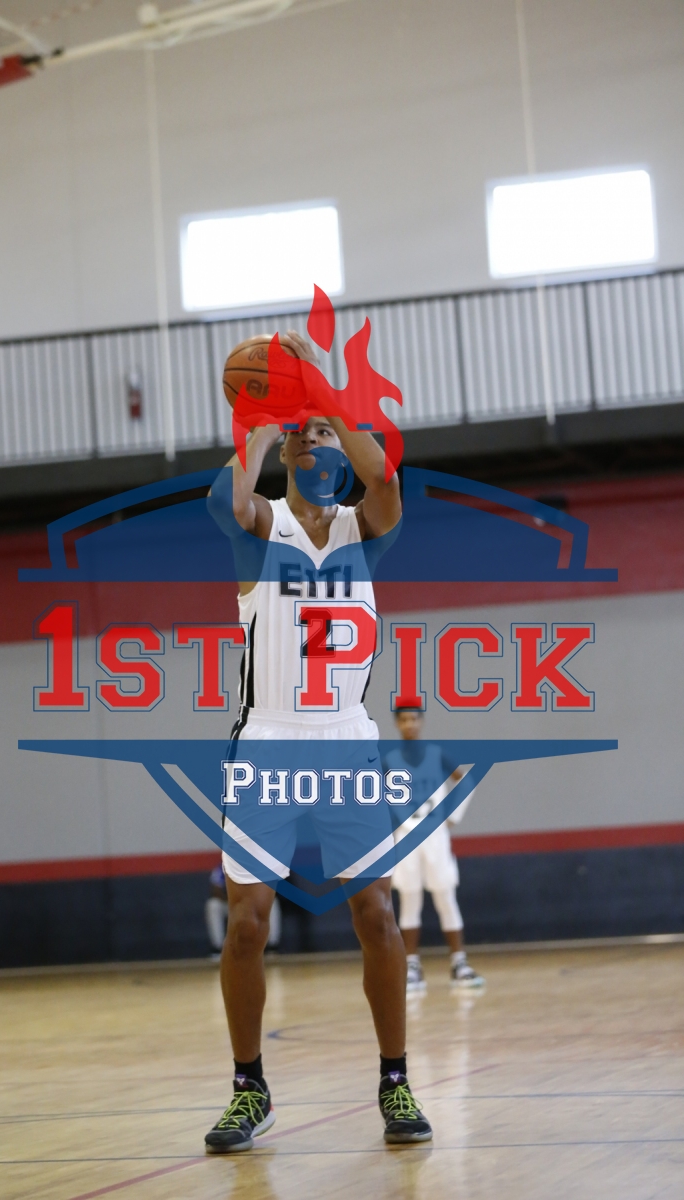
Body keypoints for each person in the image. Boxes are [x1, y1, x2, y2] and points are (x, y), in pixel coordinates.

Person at [204, 329, 432, 1153]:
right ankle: (249, 1089)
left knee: (375, 912)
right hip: (267, 739)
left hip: (345, 739)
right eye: (301, 434)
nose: (311, 438)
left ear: (338, 449)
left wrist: (320, 386)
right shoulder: (261, 526)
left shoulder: (365, 530)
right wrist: (270, 407)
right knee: (247, 924)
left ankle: (396, 1082)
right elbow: (226, 501)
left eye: (323, 432)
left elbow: (387, 478)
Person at [386, 707, 484, 992]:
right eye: (404, 720)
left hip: (435, 836)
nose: (409, 724)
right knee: (409, 900)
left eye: (414, 719)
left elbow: (466, 780)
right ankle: (412, 967)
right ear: (397, 724)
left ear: (421, 722)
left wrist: (452, 816)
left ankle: (459, 964)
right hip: (406, 837)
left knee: (445, 897)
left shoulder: (436, 754)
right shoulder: (389, 762)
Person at [205, 863, 281, 960]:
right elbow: (216, 890)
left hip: (253, 904)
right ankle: (218, 949)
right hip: (231, 904)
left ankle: (272, 947)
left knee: (273, 902)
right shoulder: (222, 868)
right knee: (213, 905)